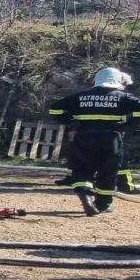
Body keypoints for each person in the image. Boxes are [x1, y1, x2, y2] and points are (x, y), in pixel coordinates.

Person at [47, 67, 140, 215]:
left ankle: (84, 193)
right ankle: (102, 204)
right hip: (110, 138)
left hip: (84, 138)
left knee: (82, 168)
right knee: (107, 171)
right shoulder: (122, 97)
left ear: (97, 80)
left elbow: (55, 109)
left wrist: (71, 123)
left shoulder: (81, 96)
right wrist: (128, 123)